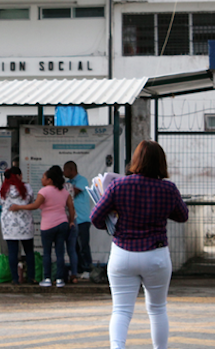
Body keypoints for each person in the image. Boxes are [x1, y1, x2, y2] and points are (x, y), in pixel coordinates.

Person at [91, 140, 189, 349]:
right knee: (157, 309)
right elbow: (183, 216)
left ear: (135, 160)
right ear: (161, 163)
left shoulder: (119, 185)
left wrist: (114, 225)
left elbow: (95, 217)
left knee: (121, 310)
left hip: (122, 253)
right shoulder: (168, 188)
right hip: (156, 254)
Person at [10, 165, 75, 288]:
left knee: (47, 253)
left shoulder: (44, 191)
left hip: (48, 226)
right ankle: (60, 279)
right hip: (62, 224)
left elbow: (35, 205)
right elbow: (71, 208)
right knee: (60, 253)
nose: (42, 179)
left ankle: (47, 278)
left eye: (43, 177)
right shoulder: (64, 191)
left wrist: (18, 207)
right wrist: (71, 221)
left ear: (49, 180)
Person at [0, 167, 35, 285]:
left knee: (12, 252)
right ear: (18, 175)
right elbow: (31, 200)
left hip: (9, 225)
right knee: (29, 251)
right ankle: (31, 277)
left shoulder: (2, 190)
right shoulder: (27, 188)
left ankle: (15, 279)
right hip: (25, 224)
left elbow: (1, 203)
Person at [63, 161, 93, 275]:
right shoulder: (68, 183)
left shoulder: (82, 180)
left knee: (83, 245)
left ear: (71, 169)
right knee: (74, 247)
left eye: (65, 170)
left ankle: (87, 269)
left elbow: (73, 192)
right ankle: (79, 269)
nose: (63, 172)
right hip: (72, 219)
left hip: (82, 219)